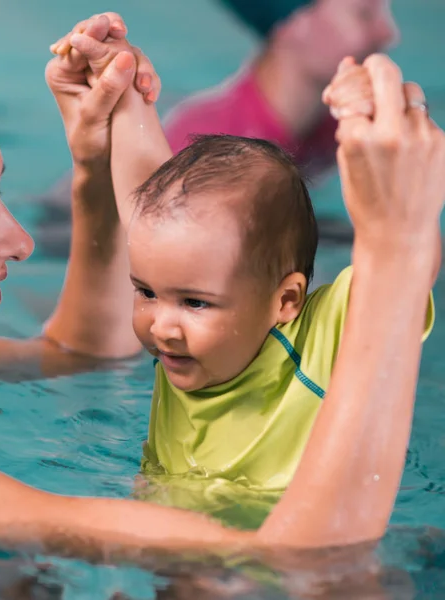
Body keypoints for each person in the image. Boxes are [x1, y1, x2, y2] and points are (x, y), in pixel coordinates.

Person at [0, 12, 441, 564]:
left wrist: (95, 166)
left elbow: (80, 355)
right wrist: (399, 247)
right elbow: (299, 559)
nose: (22, 242)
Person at [57, 25, 436, 507]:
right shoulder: (188, 337)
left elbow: (403, 265)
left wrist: (384, 124)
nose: (161, 326)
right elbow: (146, 209)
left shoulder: (322, 341)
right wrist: (120, 81)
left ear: (286, 300)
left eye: (195, 302)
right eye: (146, 292)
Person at [35, 0, 399, 257]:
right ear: (293, 22)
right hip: (71, 230)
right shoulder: (223, 140)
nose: (389, 33)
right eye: (364, 13)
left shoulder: (332, 122)